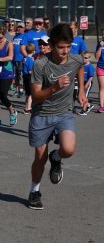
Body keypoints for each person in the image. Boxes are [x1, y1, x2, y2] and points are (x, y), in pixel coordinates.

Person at [27, 23, 88, 210]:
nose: (65, 51)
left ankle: (57, 157)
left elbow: (79, 67)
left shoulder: (74, 59)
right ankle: (34, 191)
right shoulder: (41, 65)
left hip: (64, 112)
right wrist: (55, 87)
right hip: (42, 114)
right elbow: (36, 96)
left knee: (68, 149)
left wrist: (81, 92)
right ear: (52, 45)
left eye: (68, 47)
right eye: (61, 47)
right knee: (39, 158)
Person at [12, 22, 26, 97]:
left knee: (21, 75)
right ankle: (17, 90)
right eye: (18, 27)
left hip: (21, 59)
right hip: (14, 59)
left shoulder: (25, 36)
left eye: (21, 27)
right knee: (16, 75)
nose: (19, 28)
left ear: (24, 28)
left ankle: (21, 90)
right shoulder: (15, 36)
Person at [78, 51, 95, 115]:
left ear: (89, 59)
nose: (84, 59)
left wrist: (87, 84)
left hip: (87, 83)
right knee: (80, 96)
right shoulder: (81, 65)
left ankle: (84, 110)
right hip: (82, 82)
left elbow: (91, 77)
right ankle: (89, 106)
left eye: (86, 58)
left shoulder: (89, 67)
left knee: (85, 96)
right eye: (83, 58)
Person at [23, 43, 36, 114]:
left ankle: (26, 106)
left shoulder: (24, 59)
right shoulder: (30, 60)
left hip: (25, 76)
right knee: (31, 94)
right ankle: (28, 108)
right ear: (33, 51)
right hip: (29, 77)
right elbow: (30, 71)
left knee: (27, 94)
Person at [95, 31, 104, 113]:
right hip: (101, 67)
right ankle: (102, 106)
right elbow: (96, 57)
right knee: (102, 87)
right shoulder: (100, 44)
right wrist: (100, 47)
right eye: (103, 34)